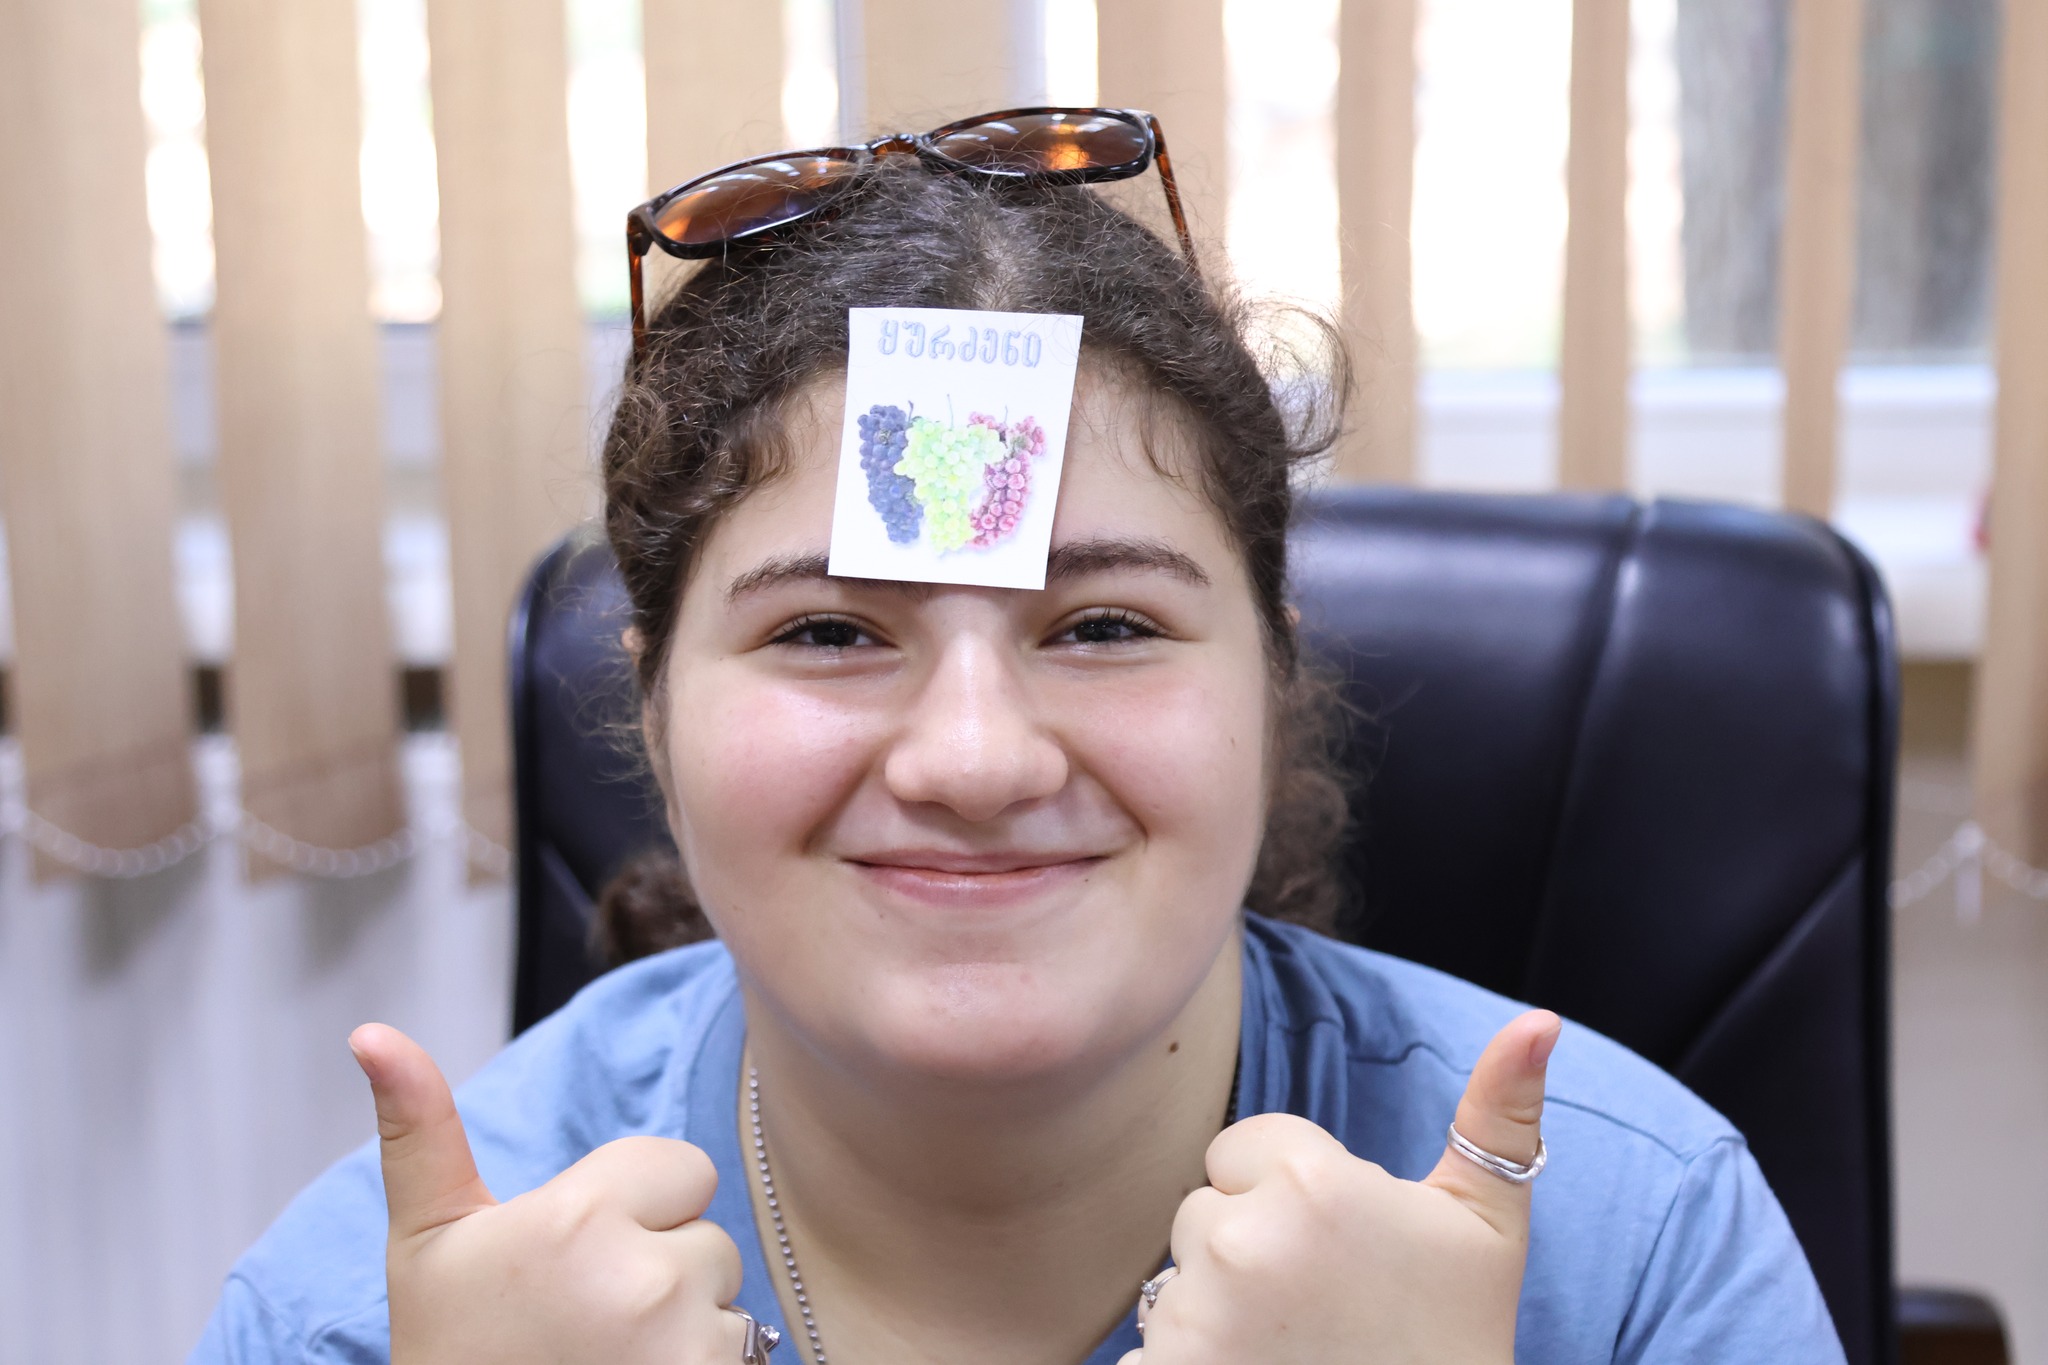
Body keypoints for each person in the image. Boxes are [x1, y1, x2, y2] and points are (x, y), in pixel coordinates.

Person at [192, 115, 1847, 1365]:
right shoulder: (377, 1313)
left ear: (1272, 677)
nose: (976, 761)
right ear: (653, 712)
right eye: (829, 632)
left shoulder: (1635, 1252)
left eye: (1106, 626)